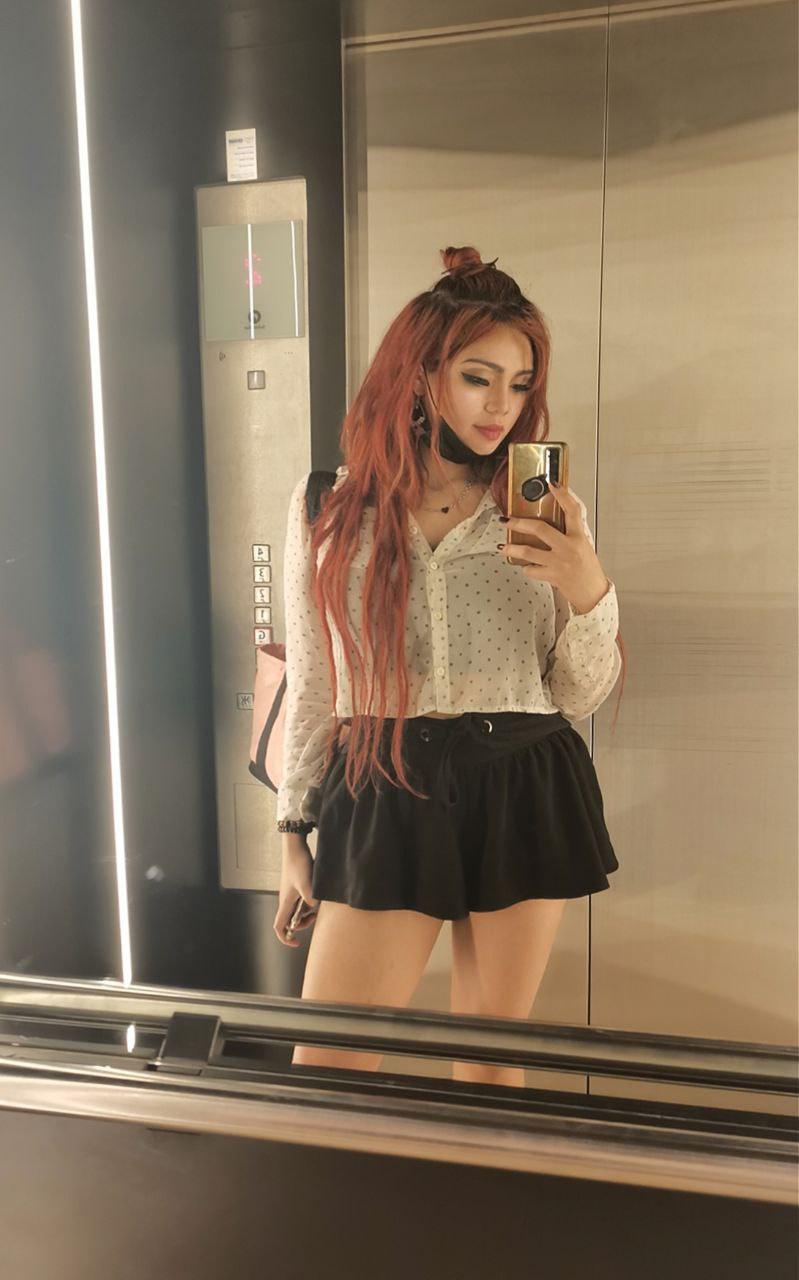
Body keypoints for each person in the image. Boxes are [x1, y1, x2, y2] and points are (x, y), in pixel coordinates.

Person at [275, 245, 627, 1086]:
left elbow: (575, 693)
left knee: (489, 1068)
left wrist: (589, 590)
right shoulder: (330, 504)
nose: (502, 406)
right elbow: (315, 679)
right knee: (327, 1070)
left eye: (519, 385)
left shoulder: (538, 504)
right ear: (421, 374)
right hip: (382, 778)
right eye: (478, 378)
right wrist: (292, 827)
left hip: (521, 778)